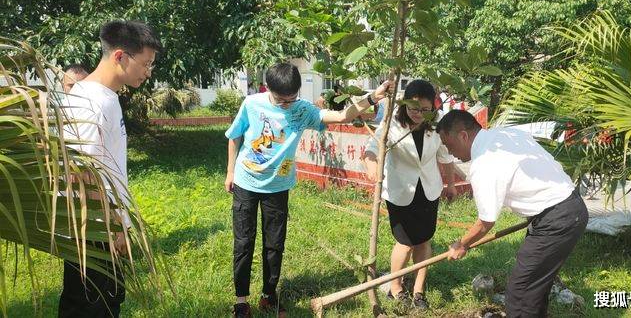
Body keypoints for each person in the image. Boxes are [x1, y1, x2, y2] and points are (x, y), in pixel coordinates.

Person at [225, 62, 391, 318]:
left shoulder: (302, 110)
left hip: (278, 187)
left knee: (274, 244)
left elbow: (342, 116)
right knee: (244, 242)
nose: (288, 104)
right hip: (246, 182)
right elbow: (234, 135)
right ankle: (241, 301)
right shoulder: (252, 104)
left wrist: (372, 97)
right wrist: (230, 172)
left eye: (292, 98)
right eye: (282, 100)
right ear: (268, 88)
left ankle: (269, 295)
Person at [437, 110, 588, 318]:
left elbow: (486, 221)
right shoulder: (506, 135)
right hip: (565, 208)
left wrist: (462, 244)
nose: (450, 153)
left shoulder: (484, 163)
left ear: (463, 135)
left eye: (449, 145)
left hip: (557, 219)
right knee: (533, 288)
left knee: (520, 293)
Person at [59, 20, 161, 318]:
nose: (148, 72)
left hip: (103, 227)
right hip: (93, 230)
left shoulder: (108, 98)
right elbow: (81, 174)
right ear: (120, 56)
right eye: (145, 64)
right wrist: (114, 226)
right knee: (90, 308)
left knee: (106, 304)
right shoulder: (88, 101)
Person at [362, 79, 457, 310]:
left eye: (425, 110)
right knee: (404, 243)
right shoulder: (391, 123)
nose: (419, 114)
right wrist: (372, 168)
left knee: (424, 239)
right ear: (405, 104)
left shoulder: (435, 124)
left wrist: (451, 185)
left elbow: (445, 156)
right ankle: (396, 288)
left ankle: (418, 290)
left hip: (429, 189)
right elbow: (371, 149)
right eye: (414, 108)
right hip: (400, 190)